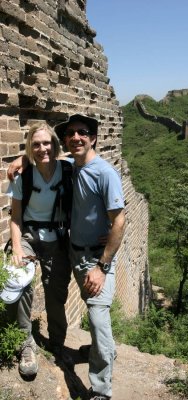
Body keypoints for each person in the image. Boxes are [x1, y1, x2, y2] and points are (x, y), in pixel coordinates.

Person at [54, 114, 126, 400]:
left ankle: (101, 390)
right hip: (75, 252)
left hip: (97, 259)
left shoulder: (104, 172)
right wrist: (24, 161)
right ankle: (102, 350)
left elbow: (120, 221)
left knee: (97, 319)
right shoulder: (73, 166)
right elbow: (52, 164)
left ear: (93, 137)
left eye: (82, 132)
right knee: (92, 311)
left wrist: (102, 267)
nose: (75, 138)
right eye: (70, 134)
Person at [6, 122, 73, 378]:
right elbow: (15, 217)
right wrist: (16, 249)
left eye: (47, 143)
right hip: (29, 235)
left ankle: (57, 343)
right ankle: (26, 343)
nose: (42, 148)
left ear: (55, 144)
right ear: (29, 148)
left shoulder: (67, 169)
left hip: (57, 238)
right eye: (36, 145)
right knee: (20, 279)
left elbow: (89, 158)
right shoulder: (24, 175)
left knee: (56, 293)